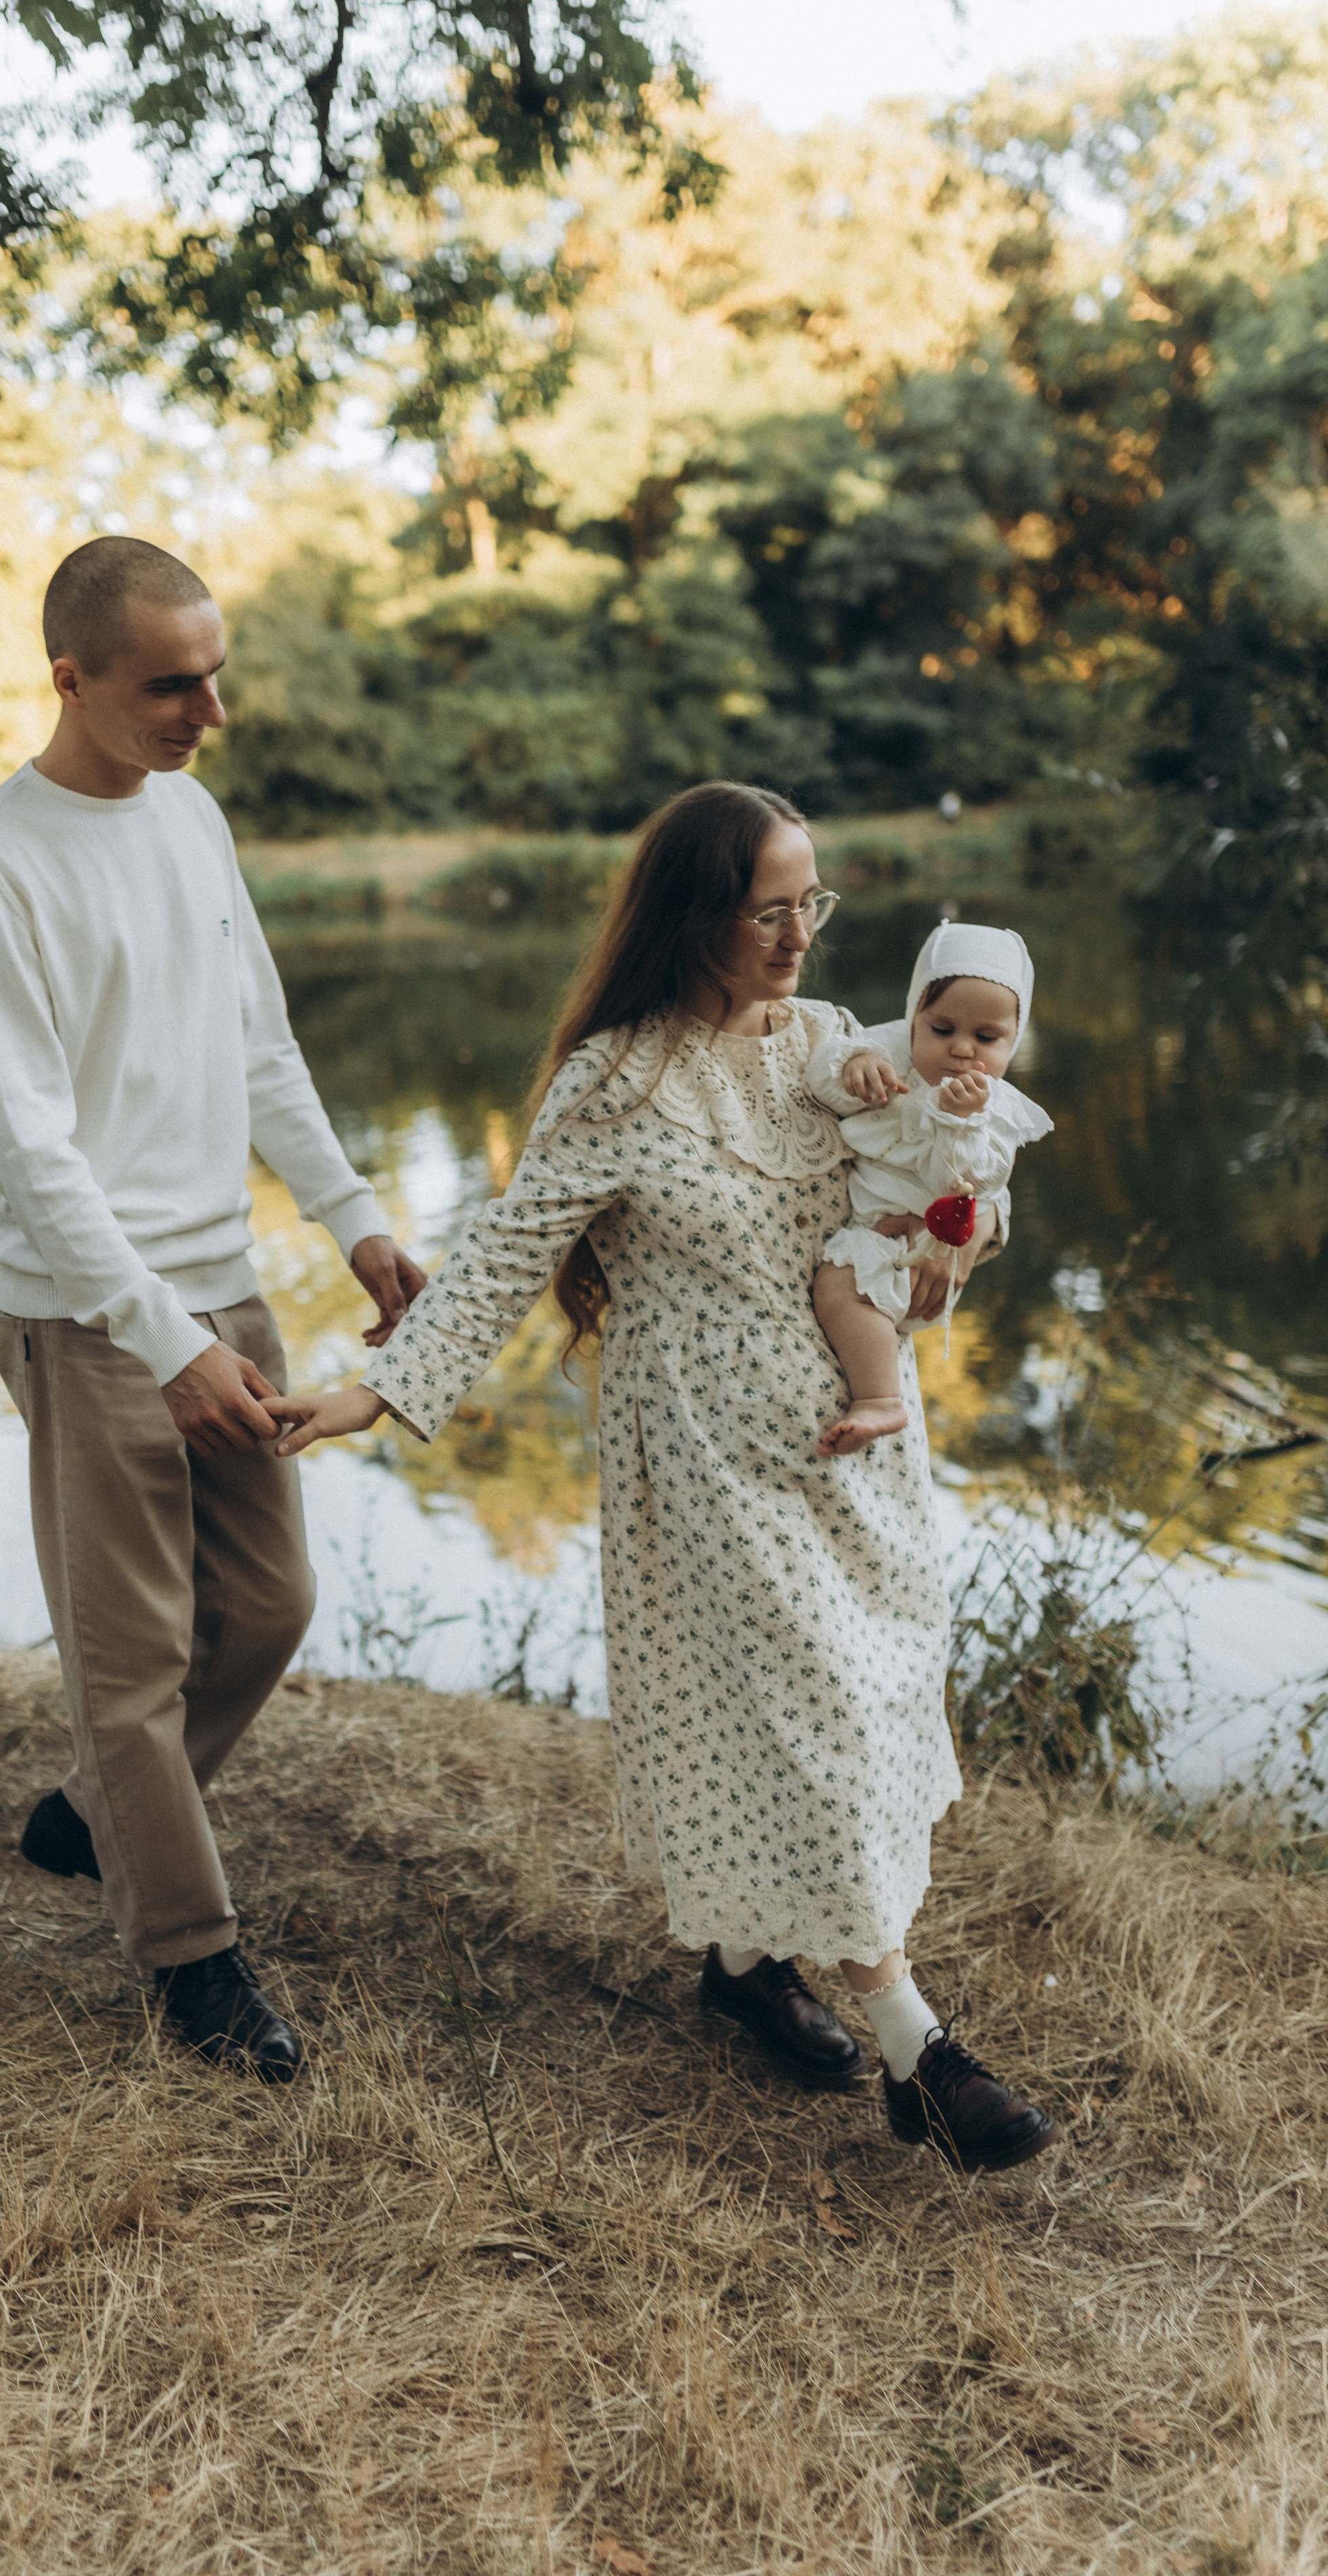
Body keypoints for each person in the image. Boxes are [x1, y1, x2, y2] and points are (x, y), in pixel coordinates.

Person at [269, 783, 1058, 2172]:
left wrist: (960, 1231)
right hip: (702, 1456)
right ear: (695, 916)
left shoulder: (835, 1046)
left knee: (853, 1713)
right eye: (769, 910)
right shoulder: (617, 1079)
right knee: (798, 1710)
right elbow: (512, 1254)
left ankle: (745, 1965)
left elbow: (941, 1181)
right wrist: (368, 1395)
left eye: (810, 903)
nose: (799, 934)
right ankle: (915, 2051)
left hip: (854, 1447)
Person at [0, 535, 425, 2085]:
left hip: (224, 1289)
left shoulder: (195, 818)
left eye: (214, 673)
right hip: (92, 1320)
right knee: (130, 1665)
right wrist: (161, 1340)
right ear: (68, 677)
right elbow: (30, 1150)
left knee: (269, 1608)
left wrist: (352, 1221)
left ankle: (95, 1816)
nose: (208, 707)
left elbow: (261, 1047)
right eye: (170, 682)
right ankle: (193, 1960)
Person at [806, 922, 1054, 1458]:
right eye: (942, 1028)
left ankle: (879, 1399)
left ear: (1014, 1040)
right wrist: (853, 1065)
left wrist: (958, 1123)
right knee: (840, 1288)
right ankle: (878, 1391)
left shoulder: (995, 1111)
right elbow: (819, 1078)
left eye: (987, 1039)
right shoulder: (890, 1049)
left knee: (837, 1285)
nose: (962, 1050)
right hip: (883, 1231)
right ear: (915, 1015)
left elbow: (967, 1187)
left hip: (922, 1252)